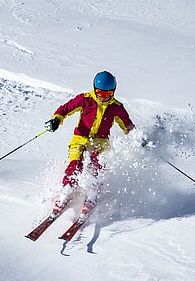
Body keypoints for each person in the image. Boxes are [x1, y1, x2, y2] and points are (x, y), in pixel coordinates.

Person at [44, 71, 136, 219]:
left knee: (97, 166)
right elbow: (65, 109)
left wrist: (137, 138)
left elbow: (127, 125)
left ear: (113, 92)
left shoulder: (116, 107)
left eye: (107, 94)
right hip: (80, 138)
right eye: (99, 93)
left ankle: (92, 195)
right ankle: (66, 192)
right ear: (94, 89)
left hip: (101, 142)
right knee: (76, 164)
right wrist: (56, 119)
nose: (103, 97)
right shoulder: (85, 99)